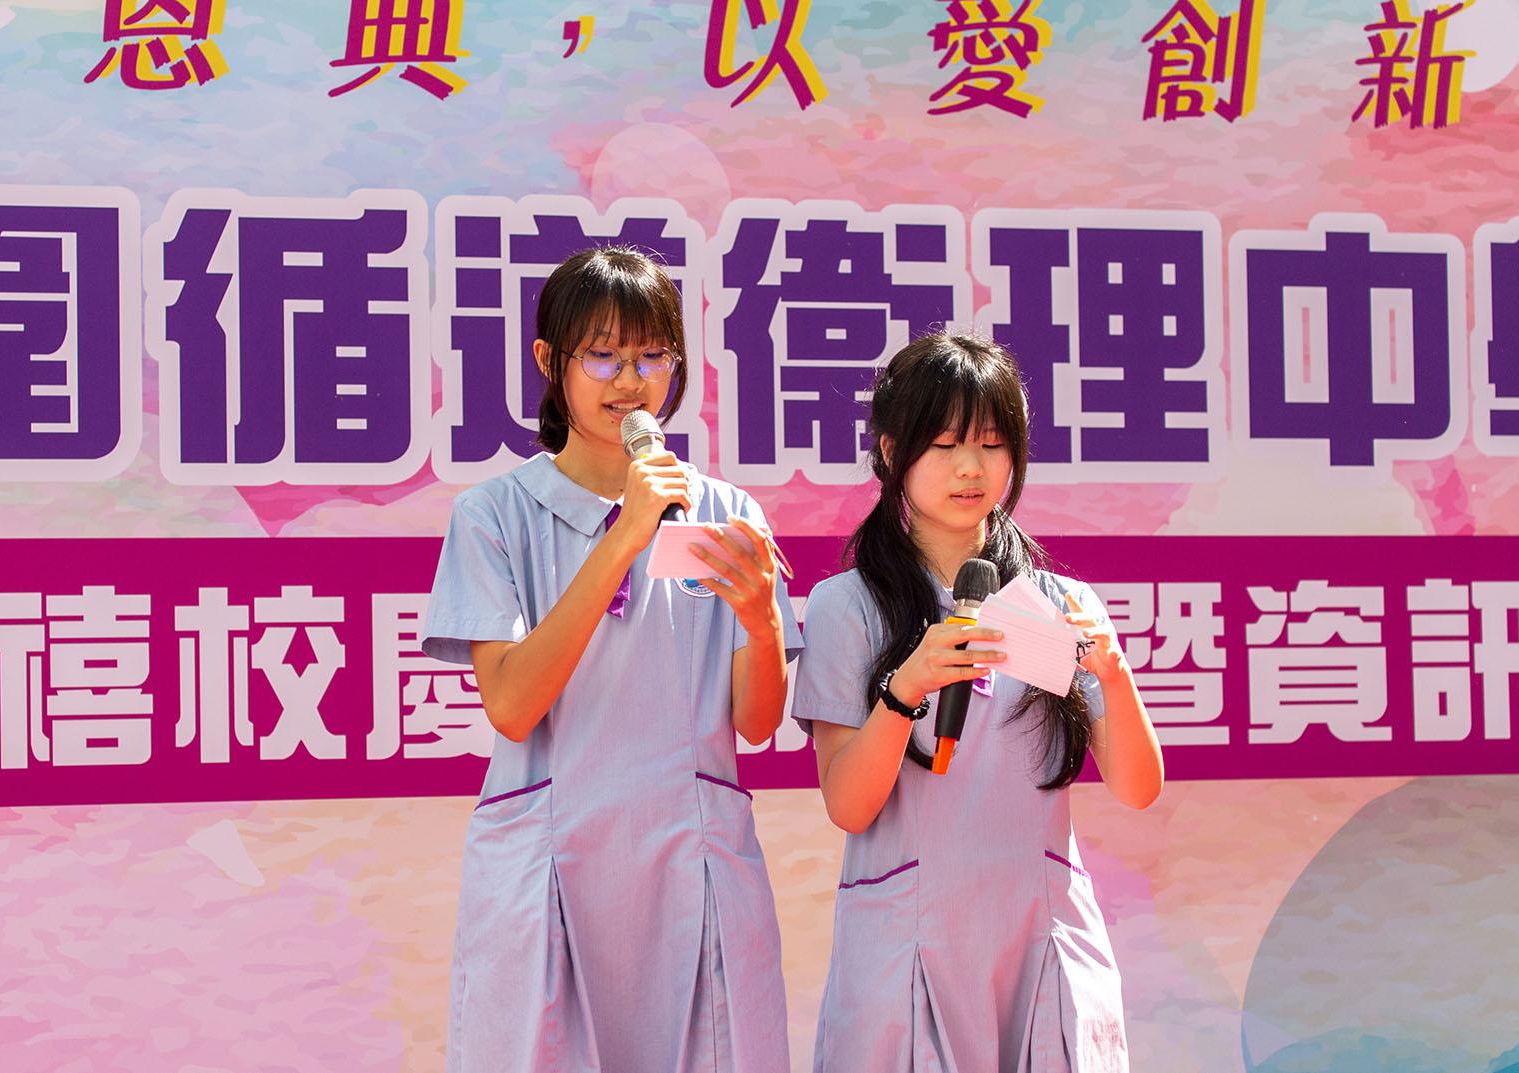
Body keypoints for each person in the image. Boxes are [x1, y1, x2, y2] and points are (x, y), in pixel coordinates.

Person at [419, 246, 799, 1073]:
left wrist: (762, 620)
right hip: (555, 864)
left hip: (690, 865)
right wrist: (625, 533)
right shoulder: (494, 515)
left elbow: (758, 723)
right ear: (548, 360)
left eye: (652, 355)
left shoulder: (723, 512)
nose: (630, 381)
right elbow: (512, 704)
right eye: (603, 355)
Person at [792, 332, 1163, 1073]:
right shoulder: (848, 605)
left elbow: (1138, 787)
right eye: (945, 445)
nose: (972, 468)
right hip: (909, 940)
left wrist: (1114, 674)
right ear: (892, 452)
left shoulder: (1059, 604)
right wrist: (903, 691)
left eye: (993, 445)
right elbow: (849, 805)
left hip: (1041, 939)